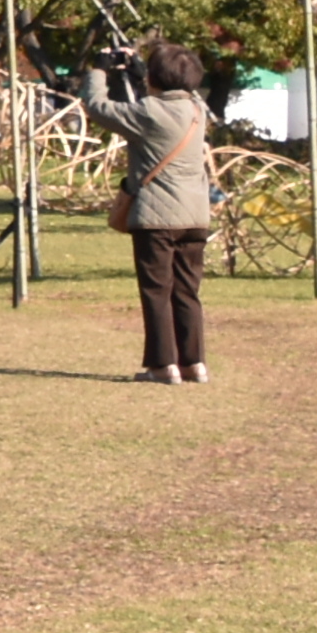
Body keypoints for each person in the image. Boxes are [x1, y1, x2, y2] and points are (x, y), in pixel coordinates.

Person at [82, 42, 218, 385]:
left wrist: (99, 70)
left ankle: (163, 365)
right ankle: (194, 363)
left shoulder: (148, 112)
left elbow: (98, 107)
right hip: (195, 216)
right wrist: (143, 73)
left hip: (157, 215)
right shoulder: (198, 110)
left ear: (156, 78)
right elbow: (174, 95)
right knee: (187, 291)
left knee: (157, 291)